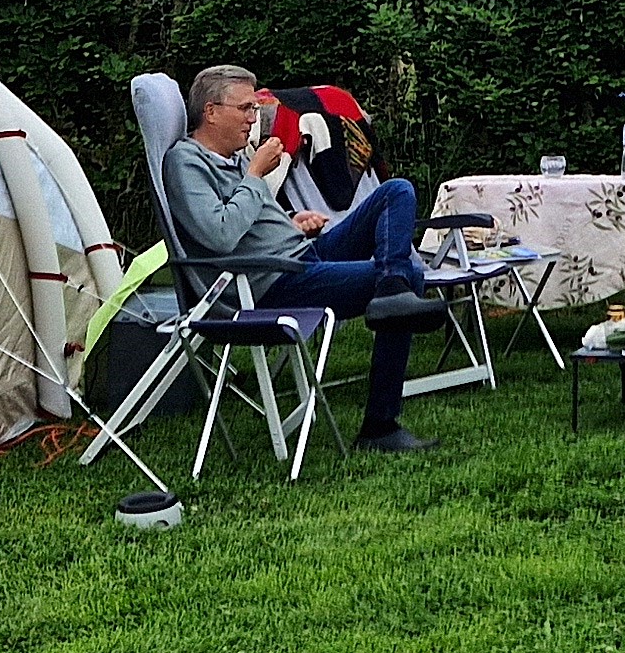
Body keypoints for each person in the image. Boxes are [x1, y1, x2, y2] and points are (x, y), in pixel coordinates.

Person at [163, 63, 451, 454]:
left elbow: (247, 219)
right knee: (409, 279)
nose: (253, 119)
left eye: (254, 108)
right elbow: (221, 234)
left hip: (300, 254)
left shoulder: (231, 159)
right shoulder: (186, 163)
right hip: (271, 283)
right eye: (245, 108)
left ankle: (392, 287)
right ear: (211, 112)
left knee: (396, 192)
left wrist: (289, 222)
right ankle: (380, 427)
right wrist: (255, 175)